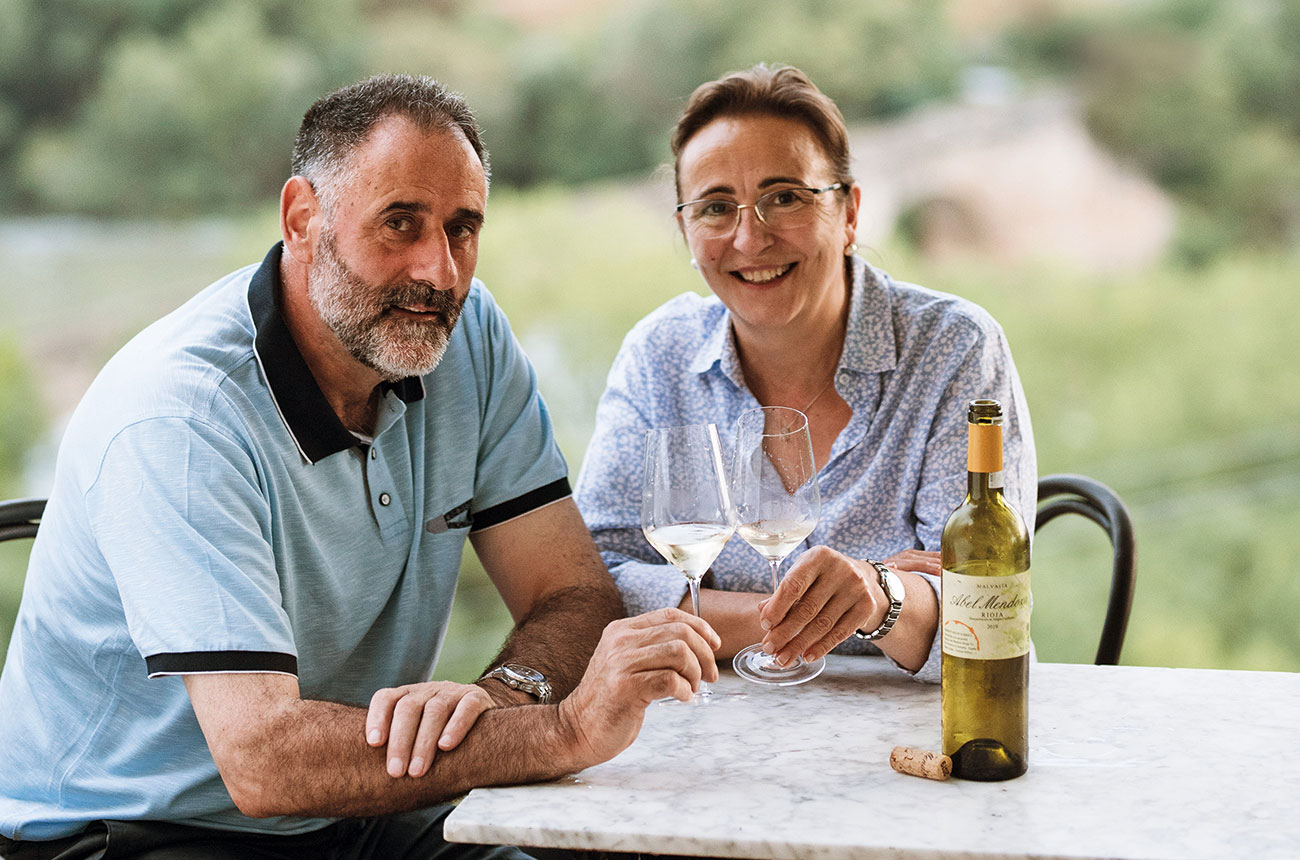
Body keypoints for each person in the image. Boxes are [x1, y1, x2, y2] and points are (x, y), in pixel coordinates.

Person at [0, 74, 719, 860]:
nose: (438, 270)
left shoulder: (468, 338)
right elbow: (265, 761)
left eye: (462, 228)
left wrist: (498, 699)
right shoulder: (181, 418)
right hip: (139, 832)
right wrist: (561, 730)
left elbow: (573, 590)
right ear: (303, 218)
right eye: (400, 224)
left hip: (358, 803)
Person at [574, 64, 1035, 683]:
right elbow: (590, 581)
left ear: (849, 214)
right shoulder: (659, 355)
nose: (750, 237)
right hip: (708, 723)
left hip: (909, 737)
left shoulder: (953, 350)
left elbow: (983, 611)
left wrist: (878, 596)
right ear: (685, 230)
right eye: (716, 207)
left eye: (785, 197)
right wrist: (821, 612)